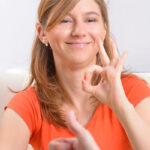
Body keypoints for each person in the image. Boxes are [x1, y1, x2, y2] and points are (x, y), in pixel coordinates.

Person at [0, 0, 150, 149]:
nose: (79, 31)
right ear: (42, 33)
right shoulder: (27, 104)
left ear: (104, 30)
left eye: (90, 20)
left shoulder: (134, 91)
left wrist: (121, 106)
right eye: (64, 20)